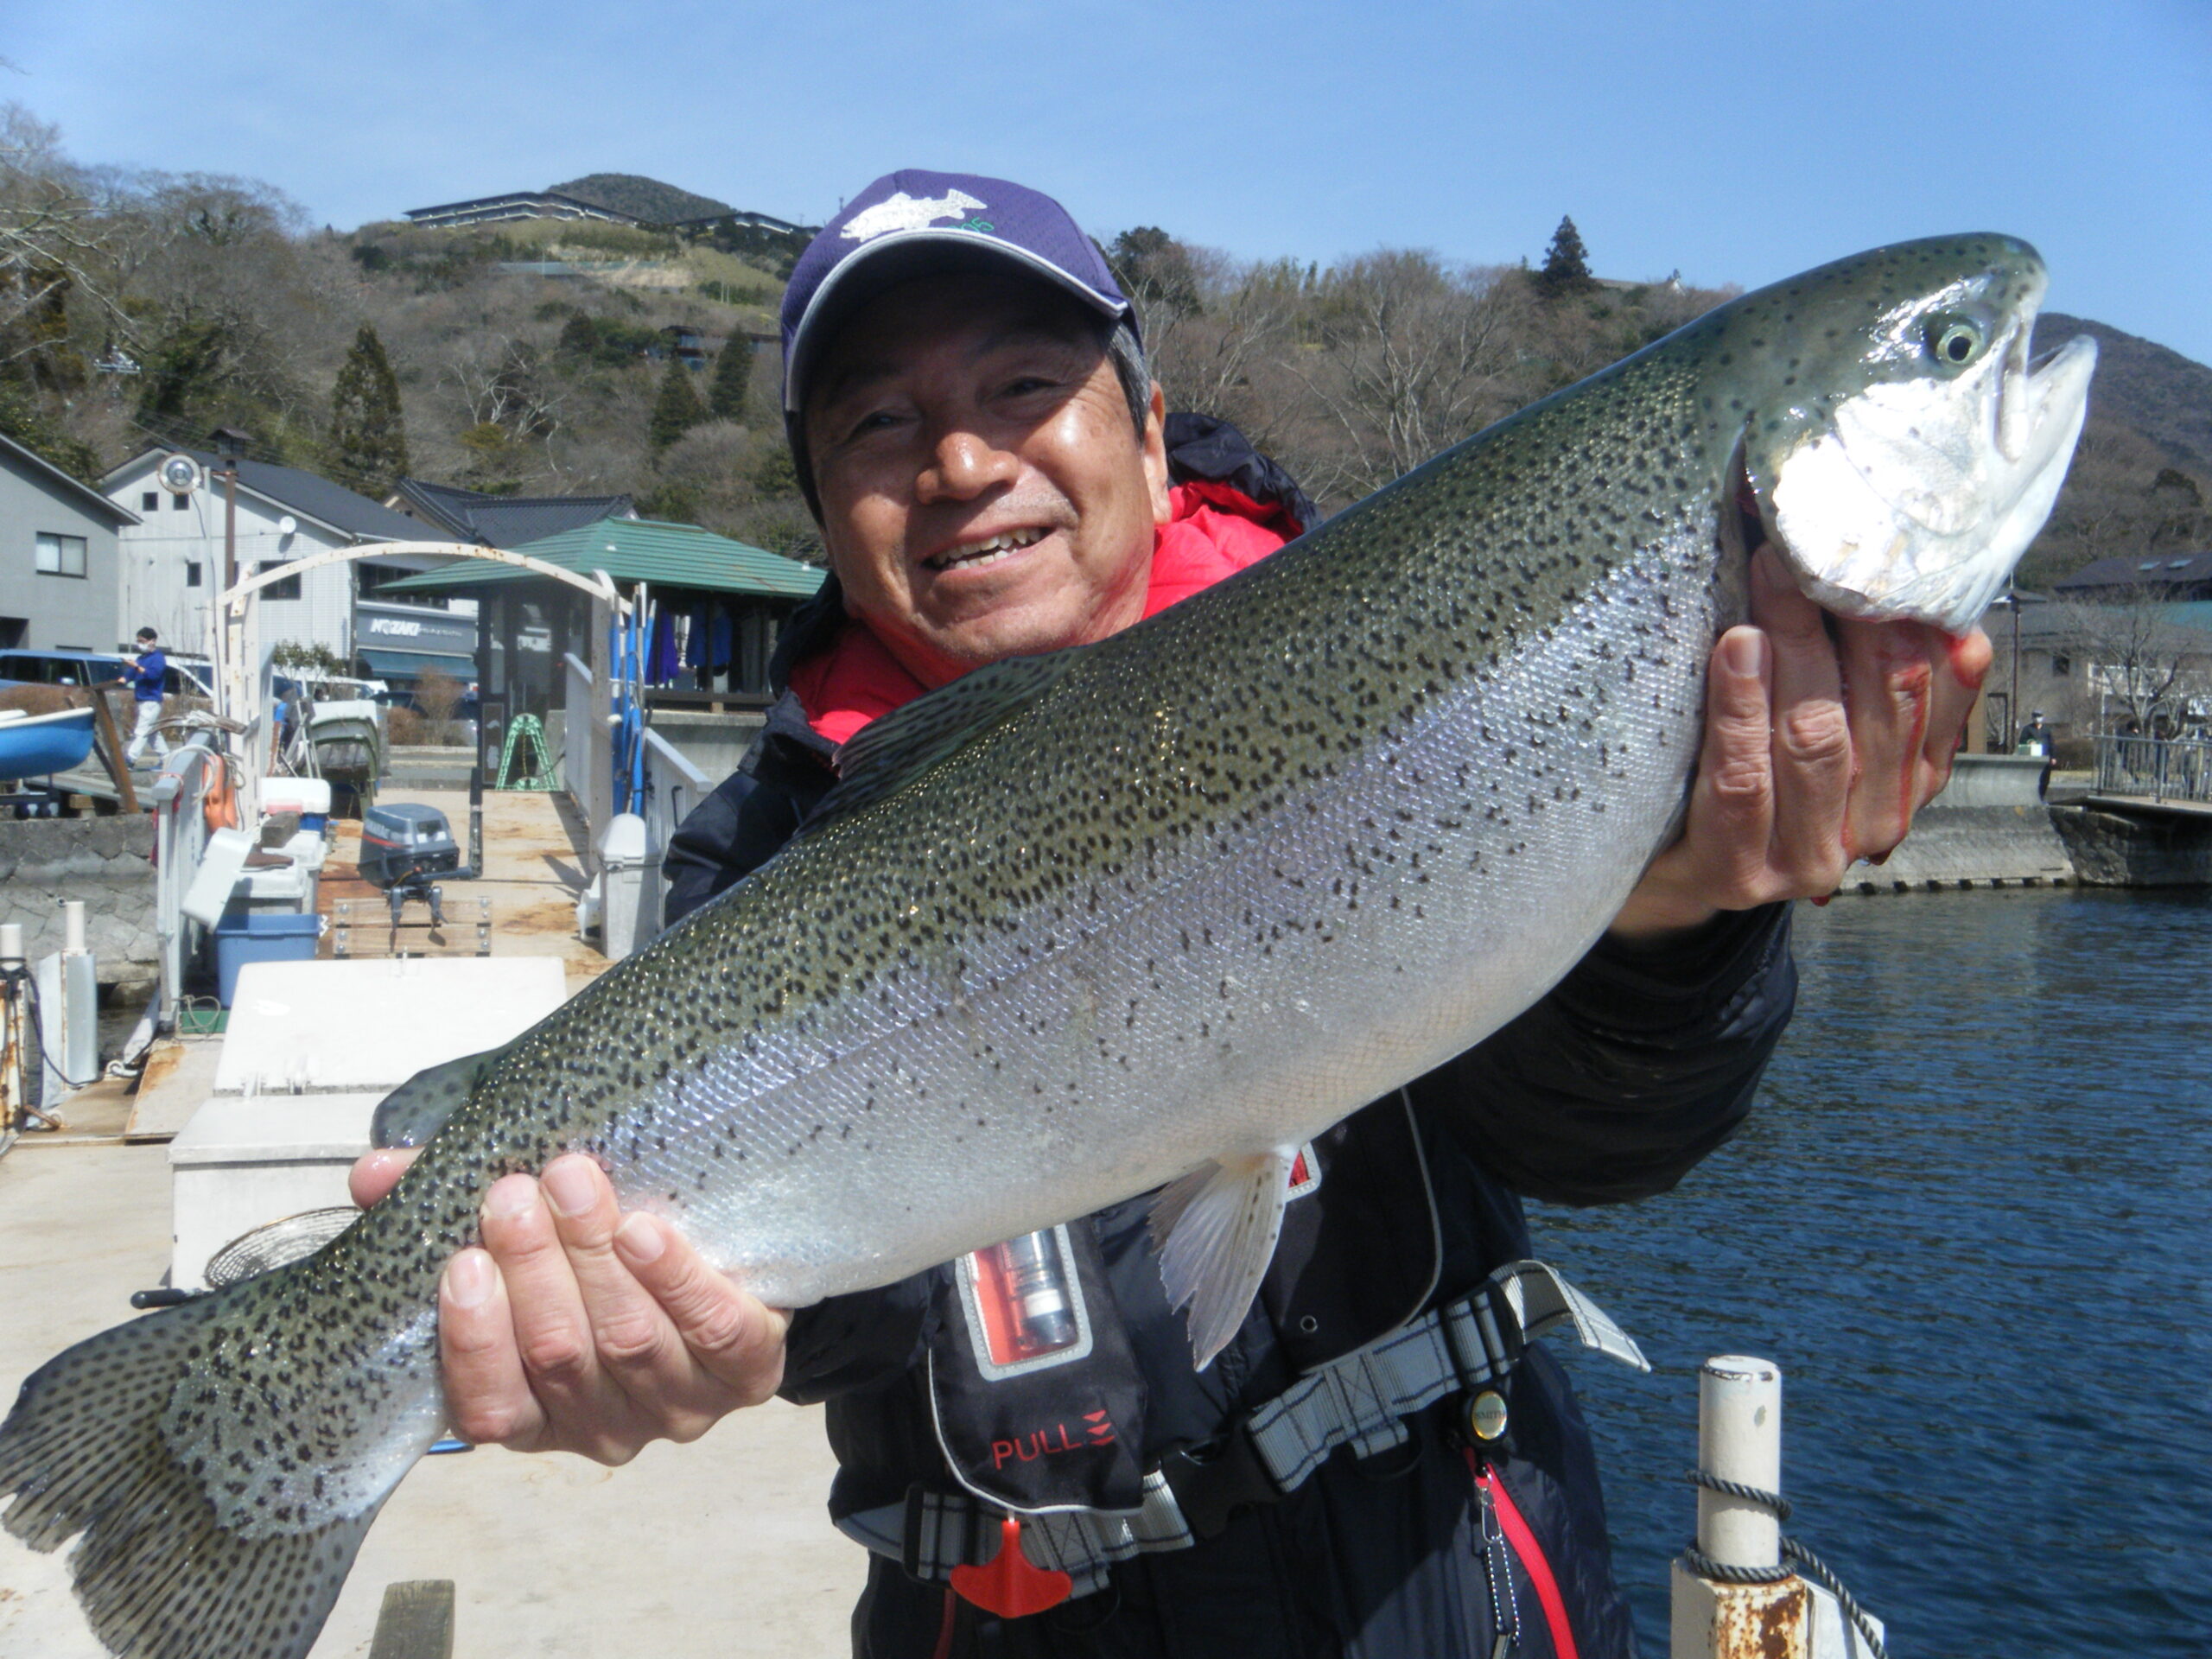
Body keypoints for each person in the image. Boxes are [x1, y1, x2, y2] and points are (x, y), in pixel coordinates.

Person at [353, 171, 1986, 1656]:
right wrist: (673, 1334)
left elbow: (1601, 1146)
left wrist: (1674, 926)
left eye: (1019, 388)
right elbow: (840, 1319)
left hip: (1457, 1588)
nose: (963, 461)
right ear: (823, 512)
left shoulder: (1404, 660)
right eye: (878, 424)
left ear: (1146, 435)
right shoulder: (760, 863)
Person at [120, 626, 168, 766]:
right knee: (151, 732)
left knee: (141, 730)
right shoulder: (141, 658)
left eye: (142, 641)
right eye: (138, 641)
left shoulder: (158, 658)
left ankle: (131, 758)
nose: (139, 644)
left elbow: (153, 675)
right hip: (141, 699)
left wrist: (136, 667)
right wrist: (122, 679)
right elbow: (130, 675)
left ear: (152, 641)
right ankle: (167, 758)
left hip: (151, 700)